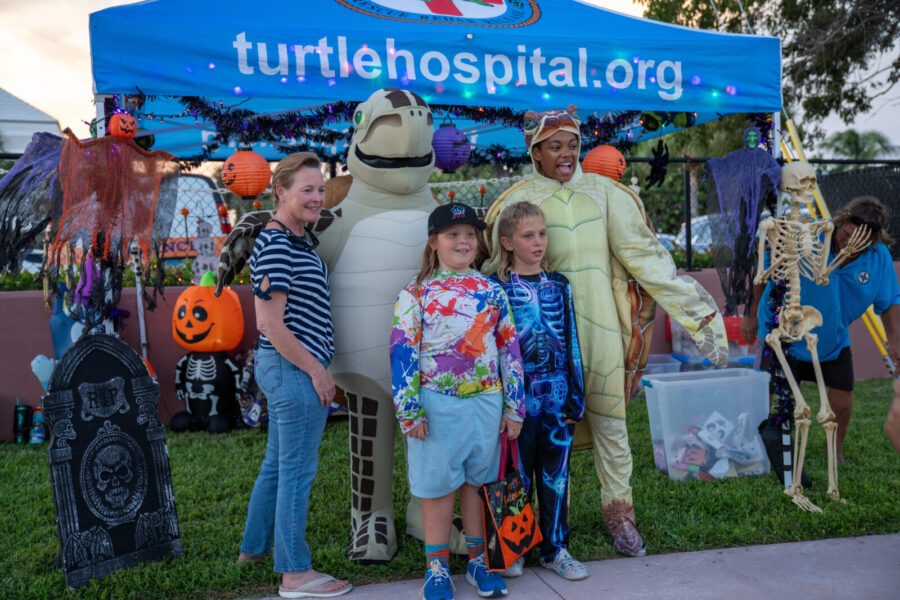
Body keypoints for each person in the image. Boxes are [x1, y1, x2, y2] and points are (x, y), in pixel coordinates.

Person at [483, 107, 728, 558]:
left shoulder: (606, 194)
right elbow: (491, 274)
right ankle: (543, 526)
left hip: (602, 329)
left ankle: (621, 515)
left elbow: (646, 257)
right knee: (538, 431)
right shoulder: (517, 202)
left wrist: (698, 314)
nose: (566, 153)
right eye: (555, 146)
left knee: (612, 425)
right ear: (535, 151)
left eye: (573, 144)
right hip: (542, 340)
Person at [390, 202, 526, 600]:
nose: (463, 241)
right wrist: (409, 409)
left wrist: (514, 406)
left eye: (470, 235)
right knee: (437, 487)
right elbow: (402, 351)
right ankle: (436, 568)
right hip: (436, 405)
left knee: (476, 484)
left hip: (486, 403)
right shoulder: (416, 292)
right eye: (453, 235)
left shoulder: (491, 291)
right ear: (434, 242)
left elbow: (509, 348)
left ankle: (478, 562)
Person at [237, 152, 352, 599]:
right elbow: (269, 323)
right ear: (280, 191)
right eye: (307, 190)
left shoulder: (297, 239)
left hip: (289, 367)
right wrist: (317, 371)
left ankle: (254, 550)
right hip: (292, 368)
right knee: (297, 471)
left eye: (320, 189)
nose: (317, 197)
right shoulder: (277, 243)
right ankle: (294, 573)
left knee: (277, 464)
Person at [741, 195, 900, 465]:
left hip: (831, 337)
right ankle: (756, 447)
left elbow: (890, 300)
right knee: (767, 390)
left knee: (843, 398)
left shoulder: (878, 257)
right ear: (842, 221)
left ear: (873, 239)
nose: (849, 241)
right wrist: (750, 314)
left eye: (860, 238)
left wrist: (895, 339)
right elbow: (764, 269)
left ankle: (834, 451)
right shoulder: (807, 236)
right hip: (780, 331)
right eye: (847, 232)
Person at [489, 201, 588, 581]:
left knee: (556, 476)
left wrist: (576, 396)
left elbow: (571, 338)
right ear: (507, 242)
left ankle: (555, 548)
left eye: (542, 234)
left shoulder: (559, 285)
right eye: (528, 235)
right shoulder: (495, 287)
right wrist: (500, 401)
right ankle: (514, 548)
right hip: (517, 399)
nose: (538, 242)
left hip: (556, 395)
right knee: (515, 475)